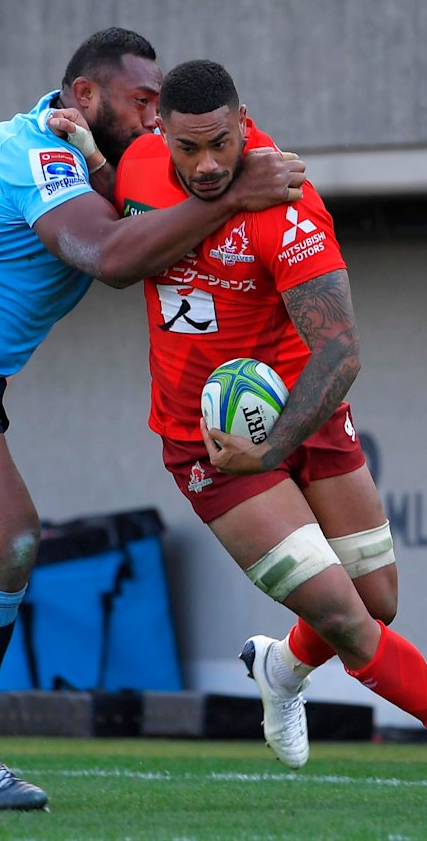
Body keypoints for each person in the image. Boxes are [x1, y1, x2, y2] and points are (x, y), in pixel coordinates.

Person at [0, 29, 306, 810]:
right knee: (8, 537)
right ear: (85, 97)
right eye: (144, 103)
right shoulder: (39, 151)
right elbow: (112, 256)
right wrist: (232, 194)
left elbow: (139, 227)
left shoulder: (90, 152)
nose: (158, 120)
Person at [108, 59, 427, 769]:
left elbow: (341, 350)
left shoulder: (287, 202)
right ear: (161, 132)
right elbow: (113, 228)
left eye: (221, 143)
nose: (207, 164)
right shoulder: (133, 168)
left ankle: (279, 670)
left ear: (243, 121)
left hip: (301, 411)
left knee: (376, 600)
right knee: (344, 618)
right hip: (208, 443)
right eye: (187, 148)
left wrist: (273, 446)